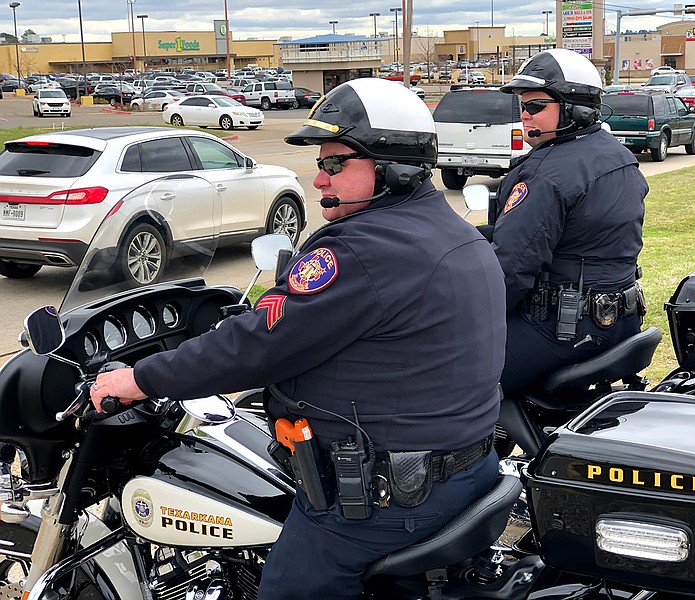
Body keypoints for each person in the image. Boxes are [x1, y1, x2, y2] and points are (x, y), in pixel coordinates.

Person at [90, 77, 507, 600]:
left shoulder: (362, 250)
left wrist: (138, 378)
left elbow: (255, 346)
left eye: (336, 164)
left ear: (393, 166)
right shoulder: (454, 233)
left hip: (382, 504)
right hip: (459, 472)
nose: (318, 180)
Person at [481, 48, 648, 394]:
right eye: (522, 106)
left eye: (535, 106)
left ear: (576, 107)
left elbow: (510, 271)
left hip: (562, 331)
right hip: (621, 320)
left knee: (446, 376)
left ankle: (479, 449)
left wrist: (463, 313)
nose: (524, 115)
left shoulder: (548, 174)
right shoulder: (618, 156)